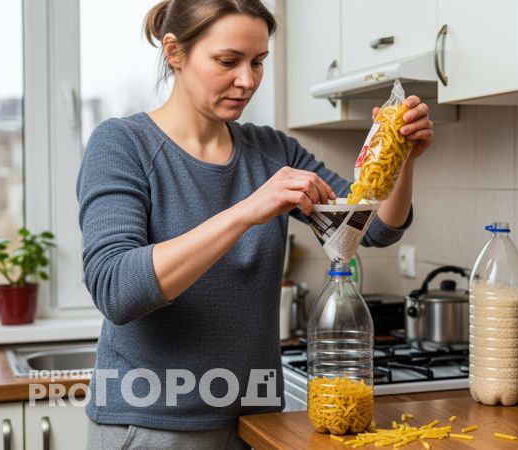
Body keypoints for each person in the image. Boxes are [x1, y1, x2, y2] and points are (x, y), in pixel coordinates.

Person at [76, 1, 432, 448]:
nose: (247, 80)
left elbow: (372, 228)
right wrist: (247, 210)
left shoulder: (271, 150)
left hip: (256, 420)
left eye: (258, 62)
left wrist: (402, 159)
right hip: (150, 424)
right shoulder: (122, 145)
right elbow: (116, 289)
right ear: (175, 52)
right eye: (228, 61)